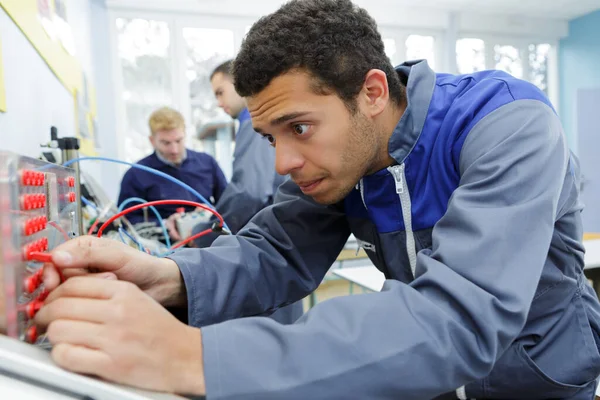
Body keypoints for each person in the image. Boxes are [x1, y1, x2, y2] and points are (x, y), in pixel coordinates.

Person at [34, 0, 600, 398]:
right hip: (424, 380)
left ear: (372, 93)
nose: (282, 162)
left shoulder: (506, 124)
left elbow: (460, 318)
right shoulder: (345, 156)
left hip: (536, 380)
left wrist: (190, 357)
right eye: (269, 137)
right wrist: (164, 276)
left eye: (298, 128)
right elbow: (273, 251)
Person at [189, 60, 303, 324]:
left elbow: (249, 192)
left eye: (220, 92)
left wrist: (206, 232)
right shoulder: (249, 125)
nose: (219, 102)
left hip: (270, 246)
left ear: (239, 84)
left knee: (273, 338)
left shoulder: (254, 124)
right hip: (276, 245)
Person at [117, 106, 227, 240]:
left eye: (178, 141)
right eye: (166, 143)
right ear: (152, 141)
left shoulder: (207, 163)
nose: (174, 150)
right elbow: (126, 220)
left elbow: (228, 204)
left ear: (185, 134)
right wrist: (164, 225)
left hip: (206, 238)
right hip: (162, 246)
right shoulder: (136, 174)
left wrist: (209, 213)